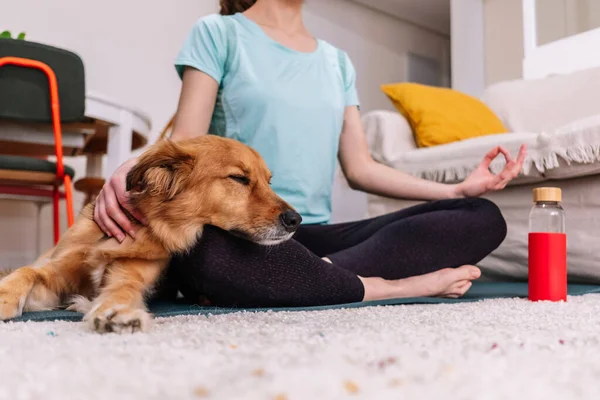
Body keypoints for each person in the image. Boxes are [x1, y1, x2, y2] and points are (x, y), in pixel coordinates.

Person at [93, 0, 527, 307]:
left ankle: (305, 276)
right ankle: (391, 287)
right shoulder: (219, 33)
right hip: (241, 235)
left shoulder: (337, 62)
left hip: (309, 233)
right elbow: (186, 141)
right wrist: (132, 169)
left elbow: (361, 168)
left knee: (481, 216)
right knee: (201, 250)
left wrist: (454, 192)